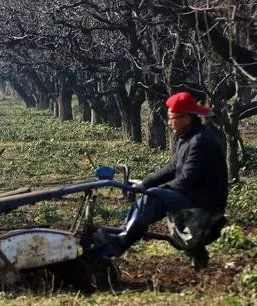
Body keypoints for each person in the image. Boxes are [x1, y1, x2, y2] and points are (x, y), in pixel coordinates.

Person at [98, 91, 228, 267]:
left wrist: (153, 190)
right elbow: (172, 168)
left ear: (187, 119)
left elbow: (186, 180)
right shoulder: (187, 137)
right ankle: (125, 232)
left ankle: (123, 241)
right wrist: (145, 182)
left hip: (204, 202)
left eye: (172, 118)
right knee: (151, 192)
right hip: (193, 195)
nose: (168, 123)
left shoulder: (200, 141)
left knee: (152, 197)